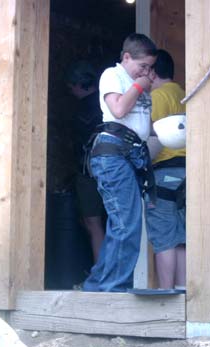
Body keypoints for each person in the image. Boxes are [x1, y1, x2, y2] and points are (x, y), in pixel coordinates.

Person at [82, 33, 157, 292]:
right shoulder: (112, 75)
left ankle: (95, 288)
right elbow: (118, 110)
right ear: (126, 57)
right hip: (112, 154)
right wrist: (140, 85)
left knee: (123, 223)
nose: (147, 72)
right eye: (142, 66)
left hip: (131, 155)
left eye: (150, 67)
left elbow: (143, 126)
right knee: (127, 223)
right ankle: (114, 291)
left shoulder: (140, 82)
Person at [145, 49, 186, 290]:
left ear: (152, 71)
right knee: (182, 238)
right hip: (187, 174)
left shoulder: (157, 96)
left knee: (164, 238)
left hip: (164, 174)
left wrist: (141, 169)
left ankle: (165, 295)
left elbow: (156, 137)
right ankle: (182, 293)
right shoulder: (184, 95)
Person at [65, 61, 106, 263]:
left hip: (89, 172)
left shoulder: (83, 108)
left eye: (71, 85)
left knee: (93, 222)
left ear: (80, 83)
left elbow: (80, 141)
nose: (70, 90)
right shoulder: (108, 99)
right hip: (114, 169)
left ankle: (101, 274)